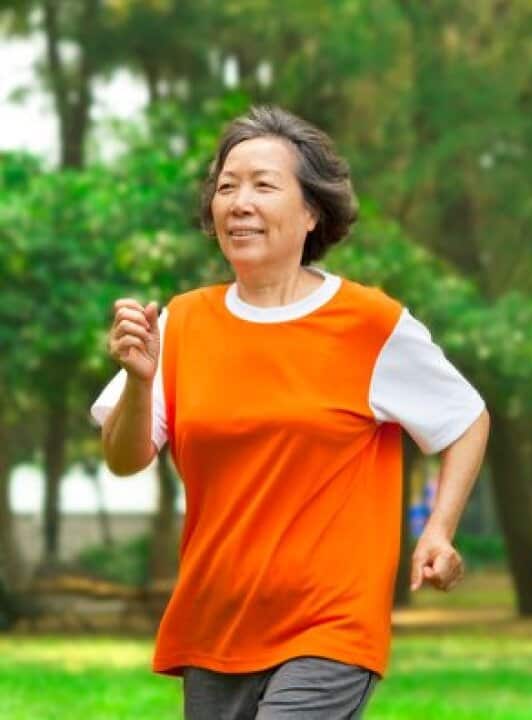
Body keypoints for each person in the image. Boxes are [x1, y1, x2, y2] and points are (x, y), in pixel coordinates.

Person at [91, 106, 489, 719]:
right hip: (216, 626)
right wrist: (142, 383)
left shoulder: (368, 324)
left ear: (311, 212)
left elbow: (464, 418)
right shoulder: (180, 322)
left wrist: (438, 529)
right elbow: (124, 459)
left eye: (263, 185)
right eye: (227, 187)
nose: (239, 202)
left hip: (329, 626)